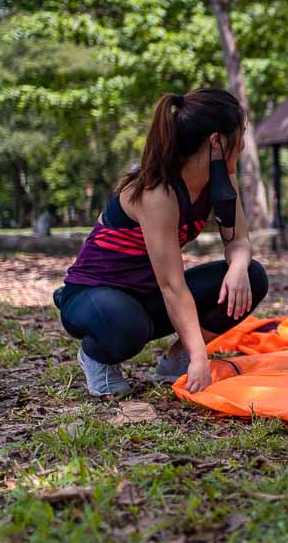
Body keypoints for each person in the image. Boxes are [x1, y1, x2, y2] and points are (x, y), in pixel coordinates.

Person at [53, 89, 269, 396]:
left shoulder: (220, 179)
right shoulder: (157, 192)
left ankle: (175, 359)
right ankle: (96, 357)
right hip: (92, 296)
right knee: (127, 326)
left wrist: (237, 265)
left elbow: (238, 240)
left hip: (146, 296)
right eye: (241, 135)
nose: (244, 145)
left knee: (253, 276)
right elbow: (172, 285)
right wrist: (201, 357)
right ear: (217, 142)